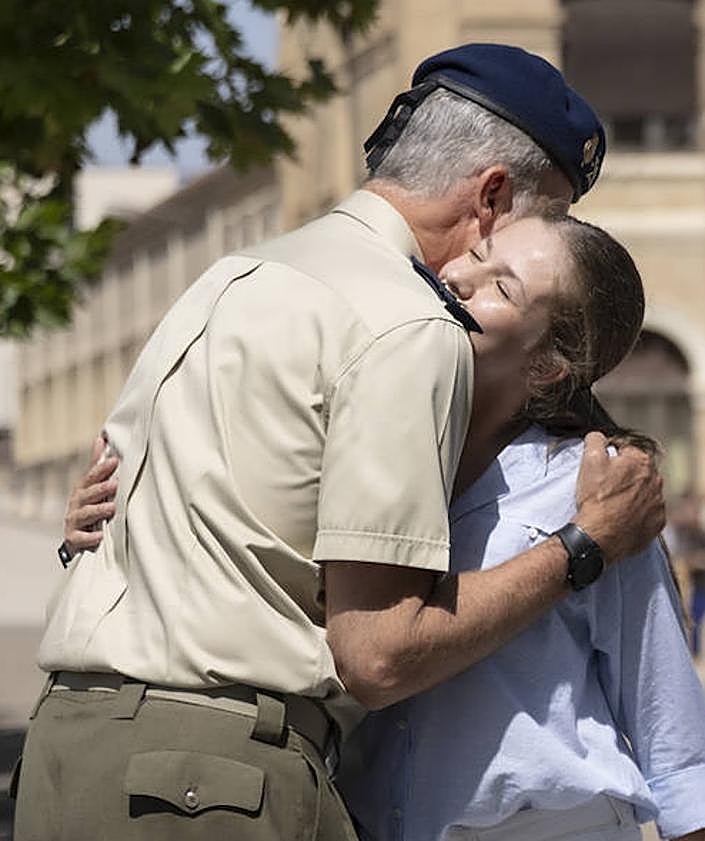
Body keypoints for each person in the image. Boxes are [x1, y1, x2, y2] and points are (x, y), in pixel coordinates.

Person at [13, 45, 664, 841]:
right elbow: (379, 655)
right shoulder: (404, 321)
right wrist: (582, 544)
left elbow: (118, 515)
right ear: (492, 195)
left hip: (69, 747)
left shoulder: (235, 277)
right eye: (548, 215)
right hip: (204, 779)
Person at [337, 216, 705, 841]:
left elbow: (673, 744)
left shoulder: (596, 490)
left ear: (548, 366)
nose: (456, 279)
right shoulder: (365, 449)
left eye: (501, 287)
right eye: (473, 256)